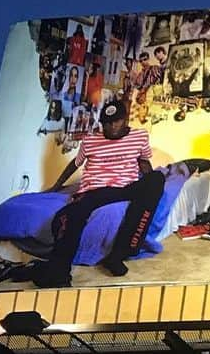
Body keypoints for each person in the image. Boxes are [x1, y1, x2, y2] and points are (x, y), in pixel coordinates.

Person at [29, 101, 165, 286]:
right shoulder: (90, 140)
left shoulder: (139, 137)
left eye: (115, 121)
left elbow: (143, 162)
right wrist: (55, 186)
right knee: (73, 214)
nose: (111, 126)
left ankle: (118, 254)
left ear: (124, 120)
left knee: (157, 179)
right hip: (96, 190)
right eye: (106, 123)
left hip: (126, 187)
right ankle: (59, 271)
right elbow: (74, 164)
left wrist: (149, 184)